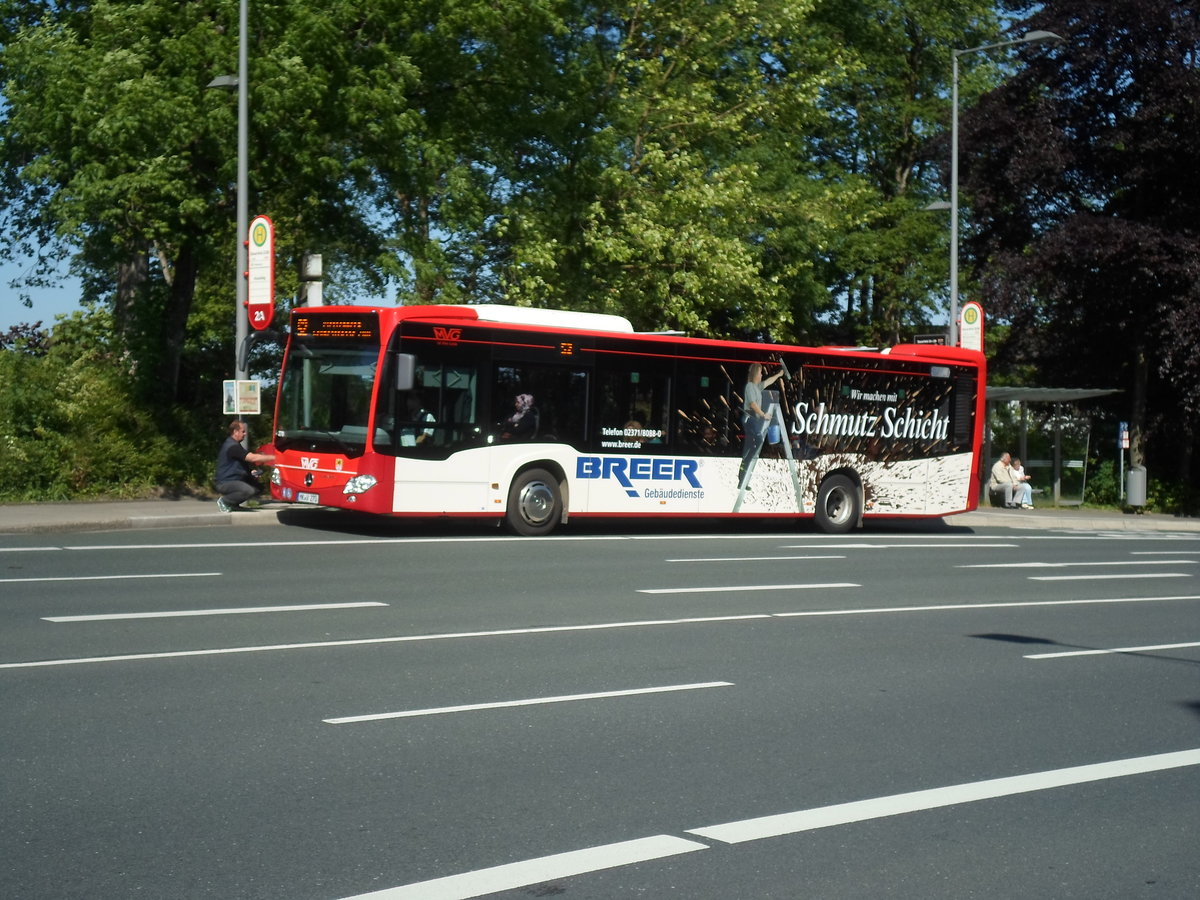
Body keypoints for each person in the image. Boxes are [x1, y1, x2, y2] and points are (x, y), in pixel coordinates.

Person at [738, 362, 785, 488]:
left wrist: (779, 375)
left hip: (753, 420)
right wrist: (764, 414)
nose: (762, 374)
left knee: (750, 447)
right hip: (750, 419)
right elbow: (753, 404)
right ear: (755, 374)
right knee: (758, 439)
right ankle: (746, 465)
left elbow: (768, 381)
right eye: (760, 372)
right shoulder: (750, 387)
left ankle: (742, 479)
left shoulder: (757, 387)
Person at [215, 420, 275, 511]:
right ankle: (225, 501)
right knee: (248, 490)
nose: (245, 434)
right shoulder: (232, 446)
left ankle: (233, 504)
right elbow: (252, 458)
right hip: (225, 482)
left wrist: (251, 473)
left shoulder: (235, 445)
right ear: (235, 432)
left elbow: (237, 465)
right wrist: (274, 457)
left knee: (257, 487)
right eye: (243, 431)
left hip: (234, 480)